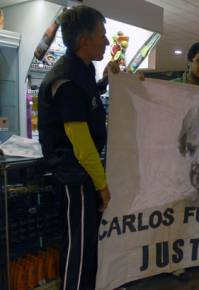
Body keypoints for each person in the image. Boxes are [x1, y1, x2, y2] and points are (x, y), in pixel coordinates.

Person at [38, 6, 117, 289]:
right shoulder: (67, 80)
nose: (107, 41)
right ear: (85, 40)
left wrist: (105, 81)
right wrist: (102, 185)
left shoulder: (82, 69)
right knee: (80, 248)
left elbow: (88, 102)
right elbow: (82, 146)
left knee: (83, 243)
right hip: (75, 173)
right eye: (102, 35)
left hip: (80, 171)